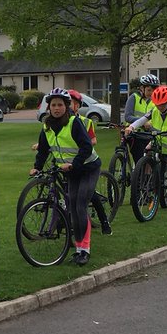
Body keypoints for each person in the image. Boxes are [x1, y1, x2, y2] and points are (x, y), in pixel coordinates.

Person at [32, 87, 108, 265]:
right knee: (72, 207)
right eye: (53, 105)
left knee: (80, 205)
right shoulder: (47, 126)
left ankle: (84, 250)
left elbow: (86, 147)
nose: (56, 108)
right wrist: (36, 167)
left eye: (60, 105)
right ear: (48, 108)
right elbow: (43, 150)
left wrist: (74, 164)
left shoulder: (74, 122)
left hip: (88, 168)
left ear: (67, 106)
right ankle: (79, 247)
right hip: (71, 171)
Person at [126, 85, 167, 212]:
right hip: (158, 141)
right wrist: (132, 127)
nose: (159, 107)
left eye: (162, 104)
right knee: (147, 152)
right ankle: (147, 182)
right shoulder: (154, 110)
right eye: (157, 104)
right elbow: (142, 120)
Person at [122, 75, 156, 164]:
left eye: (153, 90)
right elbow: (128, 116)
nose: (151, 93)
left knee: (152, 159)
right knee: (140, 159)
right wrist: (143, 123)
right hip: (135, 133)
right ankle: (139, 175)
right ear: (142, 88)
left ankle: (147, 175)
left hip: (149, 133)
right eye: (149, 90)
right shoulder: (133, 97)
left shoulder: (155, 101)